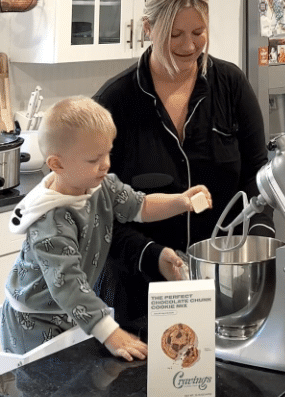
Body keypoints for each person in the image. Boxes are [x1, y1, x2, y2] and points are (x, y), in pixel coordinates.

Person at [91, 0, 270, 338]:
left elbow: (258, 177)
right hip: (139, 294)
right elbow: (96, 209)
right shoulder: (114, 103)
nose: (189, 46)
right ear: (147, 28)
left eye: (198, 33)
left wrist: (261, 252)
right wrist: (151, 253)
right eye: (175, 34)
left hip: (225, 283)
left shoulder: (230, 86)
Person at [1, 98, 210, 361]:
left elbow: (140, 205)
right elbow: (68, 285)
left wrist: (181, 202)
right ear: (57, 164)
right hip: (33, 320)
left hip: (72, 310)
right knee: (38, 388)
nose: (106, 164)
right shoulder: (50, 223)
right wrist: (112, 334)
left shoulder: (101, 185)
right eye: (94, 159)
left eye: (107, 152)